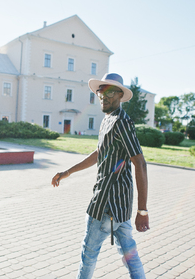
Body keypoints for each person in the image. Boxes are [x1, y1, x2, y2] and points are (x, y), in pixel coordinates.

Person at [51, 73, 149, 279]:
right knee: (129, 254)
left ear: (121, 95)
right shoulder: (108, 120)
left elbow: (139, 163)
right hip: (120, 207)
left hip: (105, 204)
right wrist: (68, 172)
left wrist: (142, 210)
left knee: (88, 255)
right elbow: (99, 153)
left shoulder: (122, 122)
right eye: (101, 91)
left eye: (110, 91)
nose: (104, 95)